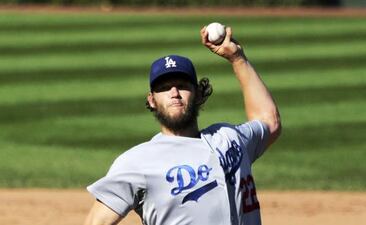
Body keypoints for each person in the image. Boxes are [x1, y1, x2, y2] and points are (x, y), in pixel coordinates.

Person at [84, 25, 281, 225]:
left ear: (198, 94)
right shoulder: (137, 162)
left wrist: (238, 59)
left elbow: (269, 121)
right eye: (164, 88)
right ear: (152, 100)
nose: (174, 93)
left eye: (182, 86)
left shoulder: (229, 138)